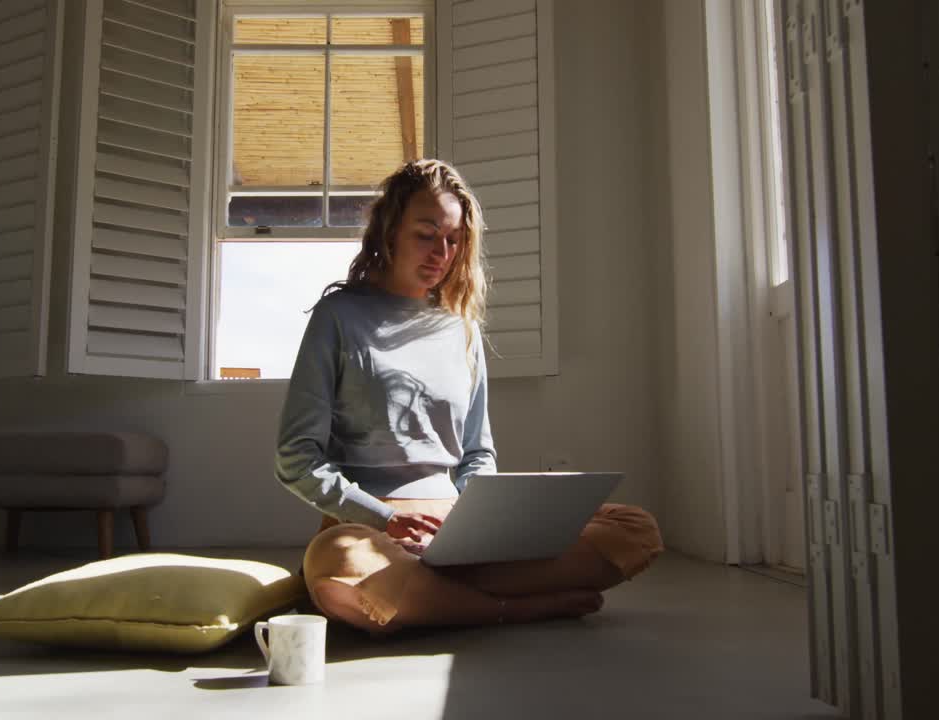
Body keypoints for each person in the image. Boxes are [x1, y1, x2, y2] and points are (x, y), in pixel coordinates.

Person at [274, 159, 662, 635]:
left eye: (454, 239)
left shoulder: (461, 327)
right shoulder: (338, 317)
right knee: (338, 563)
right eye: (426, 233)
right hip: (372, 527)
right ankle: (515, 607)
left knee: (634, 528)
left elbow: (476, 452)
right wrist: (384, 518)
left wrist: (483, 524)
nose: (442, 251)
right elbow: (296, 458)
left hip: (458, 529)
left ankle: (439, 597)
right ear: (390, 230)